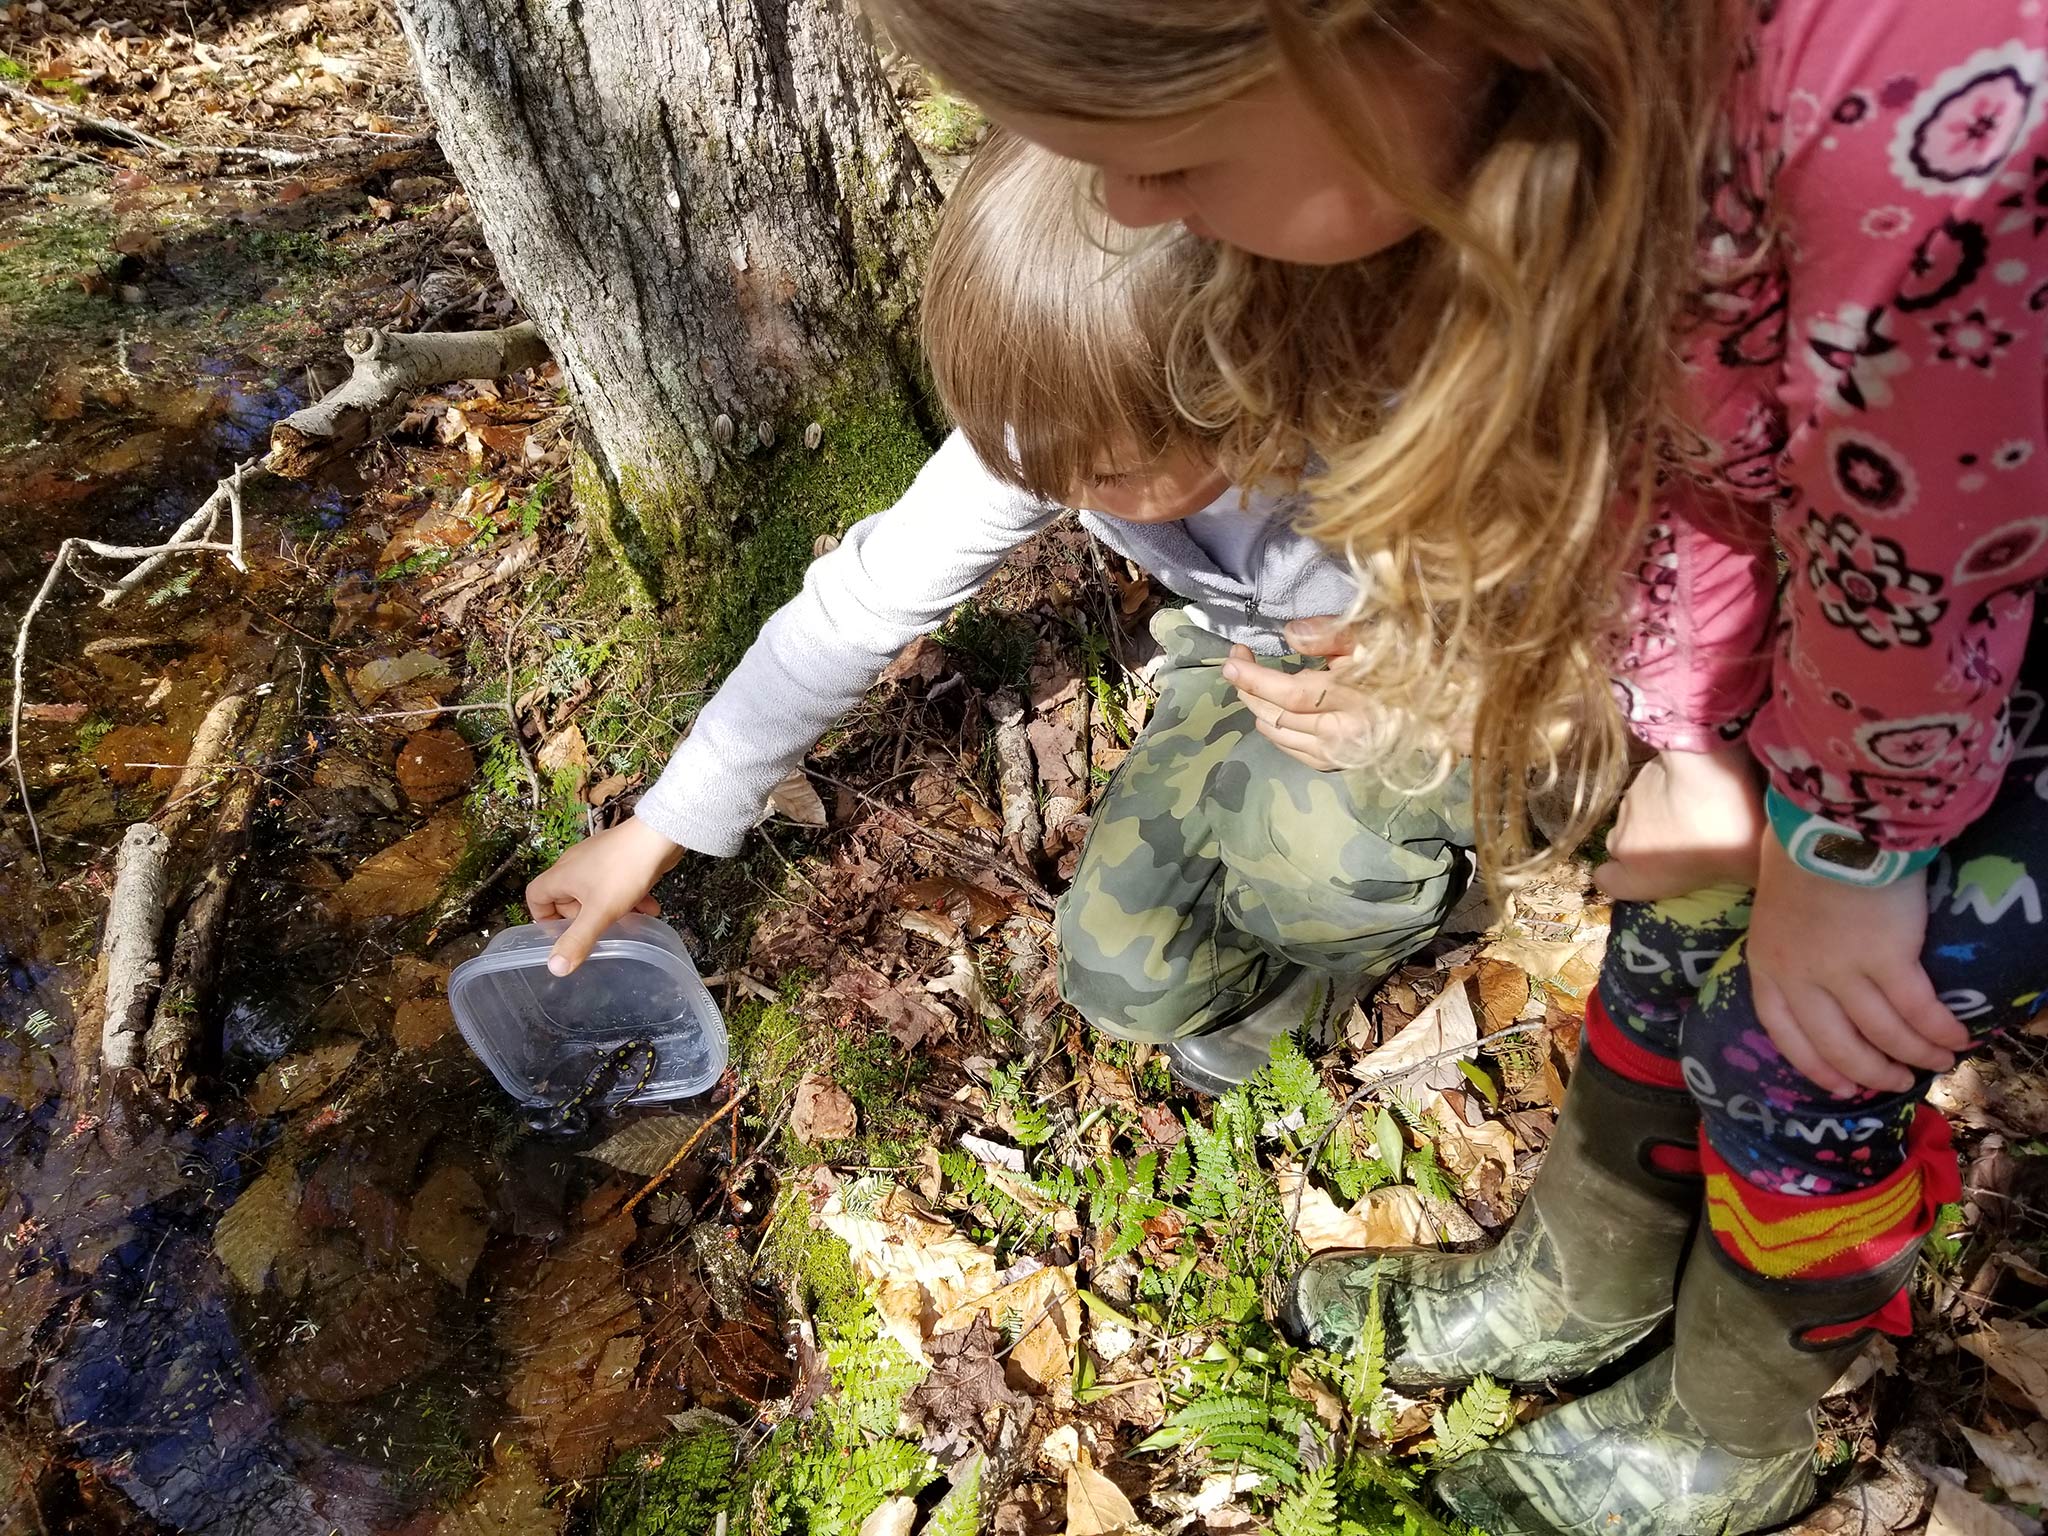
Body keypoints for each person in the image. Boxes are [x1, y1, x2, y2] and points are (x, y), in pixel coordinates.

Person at [870, 1, 2048, 1532]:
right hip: (1864, 671)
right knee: (1684, 897)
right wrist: (1691, 736)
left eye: (1167, 161)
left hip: (1960, 692)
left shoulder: (1918, 116)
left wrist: (1842, 858)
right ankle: (1591, 1267)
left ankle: (1734, 1429)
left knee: (1799, 1036)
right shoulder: (1592, 120)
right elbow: (1686, 451)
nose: (1127, 213)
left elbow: (1920, 558)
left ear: (1371, 37)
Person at [524, 131, 1472, 1095]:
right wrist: (655, 830)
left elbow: (1601, 669)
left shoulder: (1410, 432)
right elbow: (851, 612)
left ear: (1240, 393)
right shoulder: (1063, 422)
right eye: (1025, 462)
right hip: (1239, 655)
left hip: (1465, 682)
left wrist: (1416, 719)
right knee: (1121, 974)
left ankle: (1372, 923)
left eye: (1102, 477)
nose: (1059, 493)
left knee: (1318, 868)